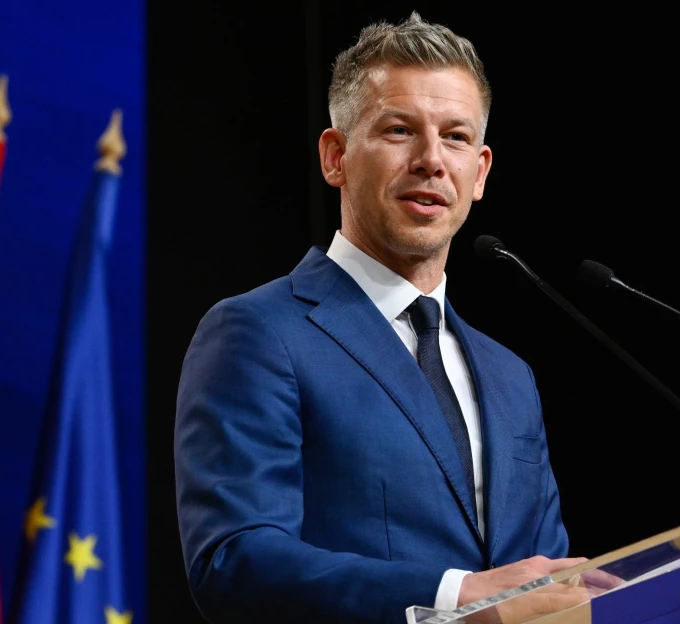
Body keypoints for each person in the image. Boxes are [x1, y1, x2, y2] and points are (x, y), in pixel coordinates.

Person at [173, 12, 599, 623]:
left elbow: (542, 578)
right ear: (336, 157)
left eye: (455, 137)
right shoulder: (258, 333)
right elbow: (235, 560)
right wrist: (456, 597)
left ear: (479, 172)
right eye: (400, 130)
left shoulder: (511, 377)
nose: (431, 160)